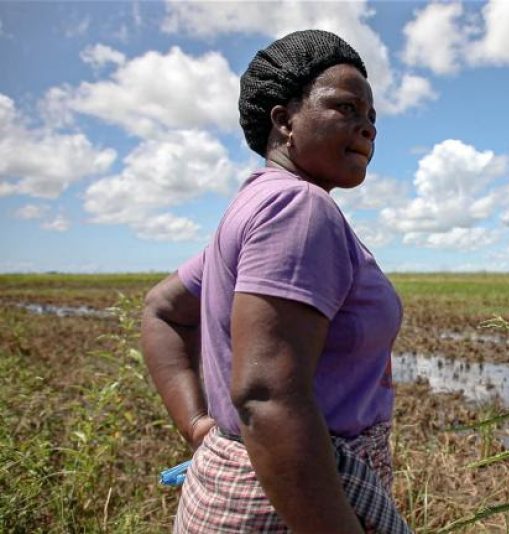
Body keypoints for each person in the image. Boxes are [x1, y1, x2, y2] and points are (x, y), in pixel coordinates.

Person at [141, 30, 409, 533]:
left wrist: (201, 427)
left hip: (247, 487)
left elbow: (162, 307)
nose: (367, 127)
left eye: (371, 117)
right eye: (346, 108)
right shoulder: (298, 209)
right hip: (293, 499)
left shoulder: (259, 206)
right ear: (284, 121)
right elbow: (267, 399)